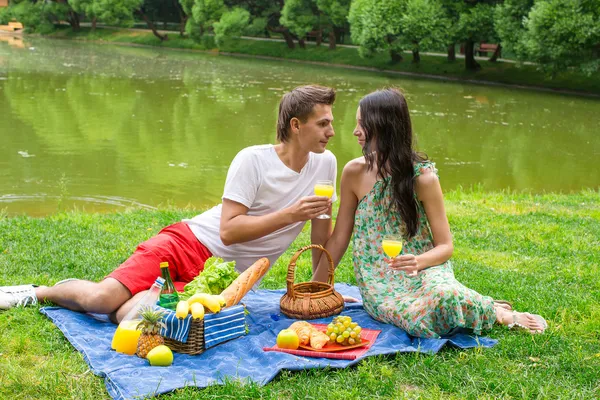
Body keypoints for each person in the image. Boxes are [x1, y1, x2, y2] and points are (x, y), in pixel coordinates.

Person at [0, 85, 338, 322]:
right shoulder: (252, 159)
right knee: (102, 300)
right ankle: (40, 291)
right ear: (296, 125)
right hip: (188, 243)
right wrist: (290, 215)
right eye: (323, 123)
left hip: (223, 280)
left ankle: (129, 298)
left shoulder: (325, 165)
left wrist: (321, 290)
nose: (332, 132)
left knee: (130, 316)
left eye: (332, 123)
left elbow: (320, 239)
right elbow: (229, 231)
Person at [313, 88, 547, 338]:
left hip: (425, 269)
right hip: (380, 282)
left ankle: (499, 313)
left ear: (384, 126)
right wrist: (314, 288)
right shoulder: (354, 173)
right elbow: (339, 238)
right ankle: (476, 303)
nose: (355, 131)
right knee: (417, 317)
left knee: (444, 296)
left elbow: (445, 246)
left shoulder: (424, 178)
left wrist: (418, 261)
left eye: (363, 124)